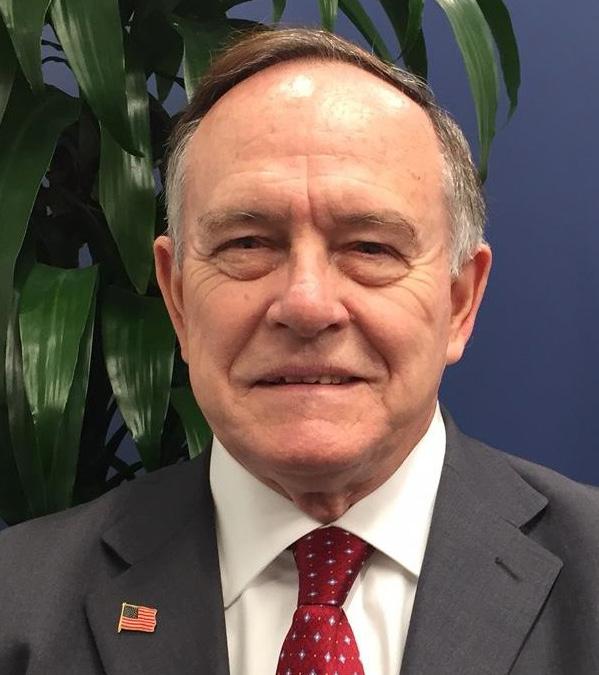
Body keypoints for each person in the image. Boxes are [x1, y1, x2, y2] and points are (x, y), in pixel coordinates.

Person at [1, 27, 598, 675]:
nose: (307, 305)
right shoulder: (17, 603)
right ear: (177, 298)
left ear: (459, 302)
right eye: (247, 244)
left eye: (370, 248)